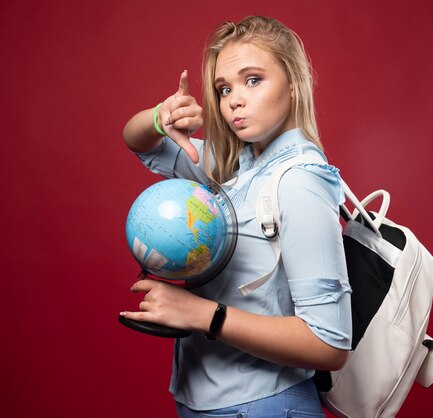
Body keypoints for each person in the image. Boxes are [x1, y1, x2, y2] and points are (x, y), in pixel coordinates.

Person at [121, 16, 352, 417]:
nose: (233, 101)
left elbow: (329, 344)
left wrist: (199, 313)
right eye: (224, 88)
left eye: (253, 80)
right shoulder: (235, 168)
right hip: (202, 401)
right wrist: (163, 116)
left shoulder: (299, 181)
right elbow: (137, 141)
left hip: (264, 405)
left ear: (294, 84)